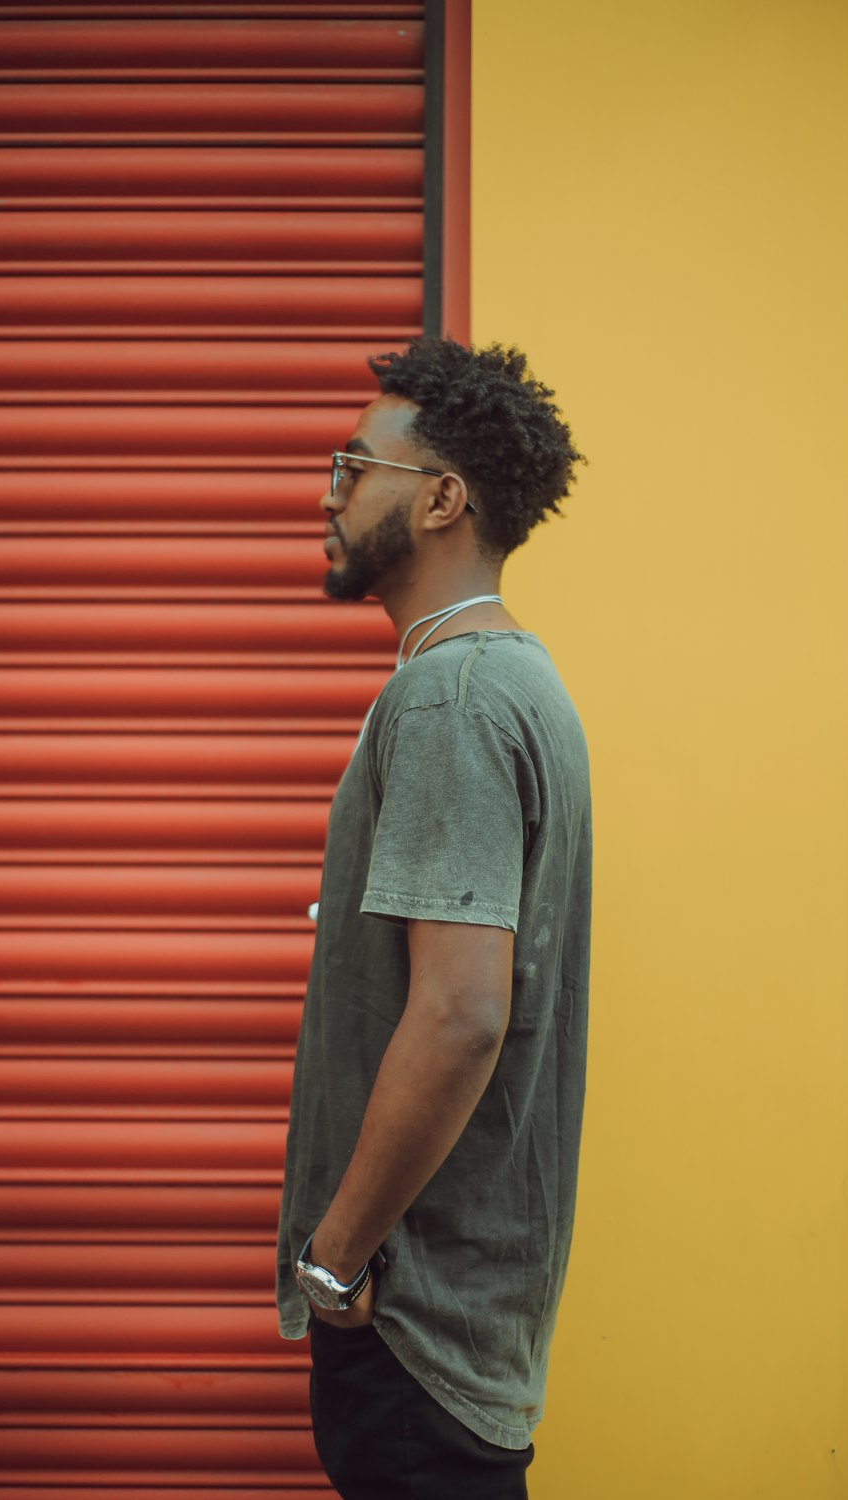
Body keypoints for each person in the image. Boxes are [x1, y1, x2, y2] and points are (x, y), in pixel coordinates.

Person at [275, 337, 591, 1500]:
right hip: (465, 1327)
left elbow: (460, 1012)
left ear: (444, 497)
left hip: (413, 1329)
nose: (327, 489)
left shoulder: (450, 697)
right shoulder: (517, 680)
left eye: (353, 464)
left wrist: (334, 1259)